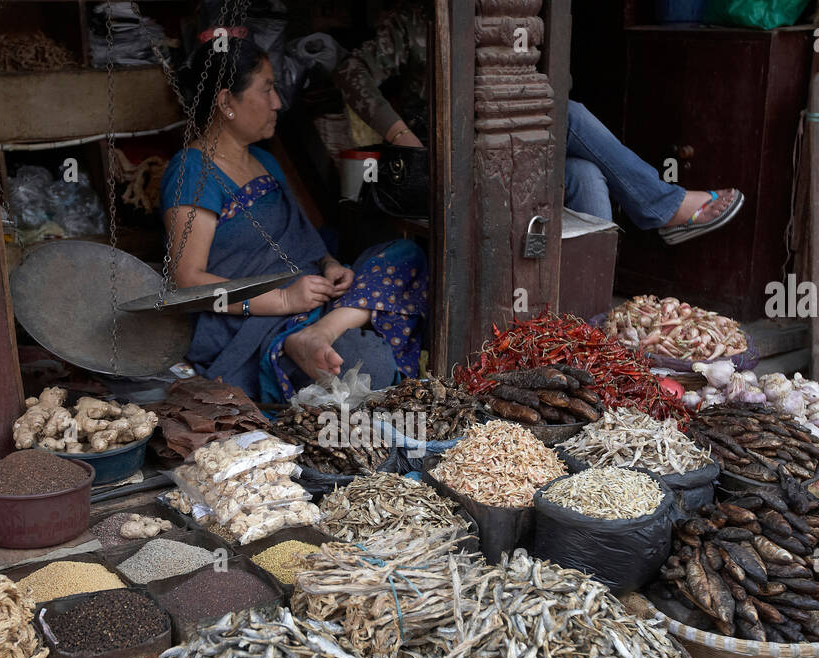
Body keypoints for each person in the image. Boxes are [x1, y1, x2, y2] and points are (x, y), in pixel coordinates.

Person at [334, 0, 743, 245]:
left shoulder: (520, 17)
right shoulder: (417, 18)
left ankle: (585, 320)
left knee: (584, 174)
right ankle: (661, 205)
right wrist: (401, 134)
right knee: (571, 113)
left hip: (511, 144)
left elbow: (555, 83)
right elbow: (351, 72)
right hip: (446, 157)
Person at [161, 33, 426, 402]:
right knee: (371, 366)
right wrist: (284, 300)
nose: (278, 102)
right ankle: (313, 337)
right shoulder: (193, 171)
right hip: (251, 326)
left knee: (407, 254)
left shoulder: (265, 162)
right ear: (226, 102)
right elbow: (189, 283)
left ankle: (322, 332)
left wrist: (330, 265)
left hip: (310, 304)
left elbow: (304, 239)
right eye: (267, 89)